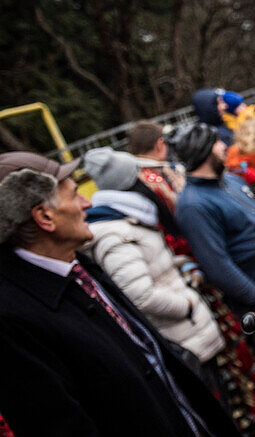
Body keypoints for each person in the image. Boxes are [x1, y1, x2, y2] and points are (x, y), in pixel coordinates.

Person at [0, 152, 255, 437]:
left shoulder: (77, 266)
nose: (88, 202)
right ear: (45, 217)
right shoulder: (13, 316)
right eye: (74, 194)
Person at [81, 147, 225, 368]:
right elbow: (141, 295)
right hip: (183, 334)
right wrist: (186, 305)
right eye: (140, 174)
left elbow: (151, 266)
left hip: (190, 330)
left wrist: (182, 264)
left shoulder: (133, 218)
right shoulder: (115, 233)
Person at [171, 122, 255, 319]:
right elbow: (217, 266)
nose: (224, 146)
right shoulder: (193, 205)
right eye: (217, 142)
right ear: (203, 151)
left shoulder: (231, 180)